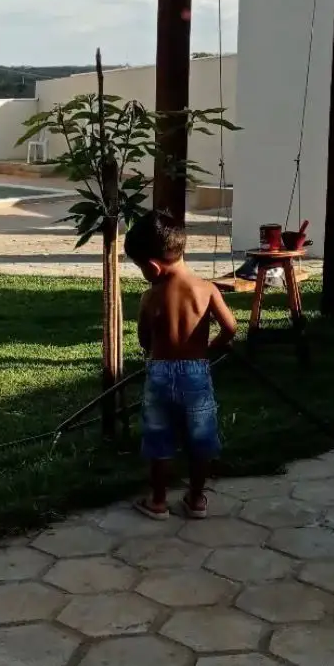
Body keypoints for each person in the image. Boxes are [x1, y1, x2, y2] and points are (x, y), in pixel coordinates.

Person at [124, 209, 238, 520]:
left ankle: (158, 501)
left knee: (158, 437)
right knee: (200, 436)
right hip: (196, 374)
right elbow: (230, 327)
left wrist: (154, 346)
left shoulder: (150, 297)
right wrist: (211, 348)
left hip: (159, 374)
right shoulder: (207, 289)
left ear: (152, 266)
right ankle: (196, 499)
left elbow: (144, 340)